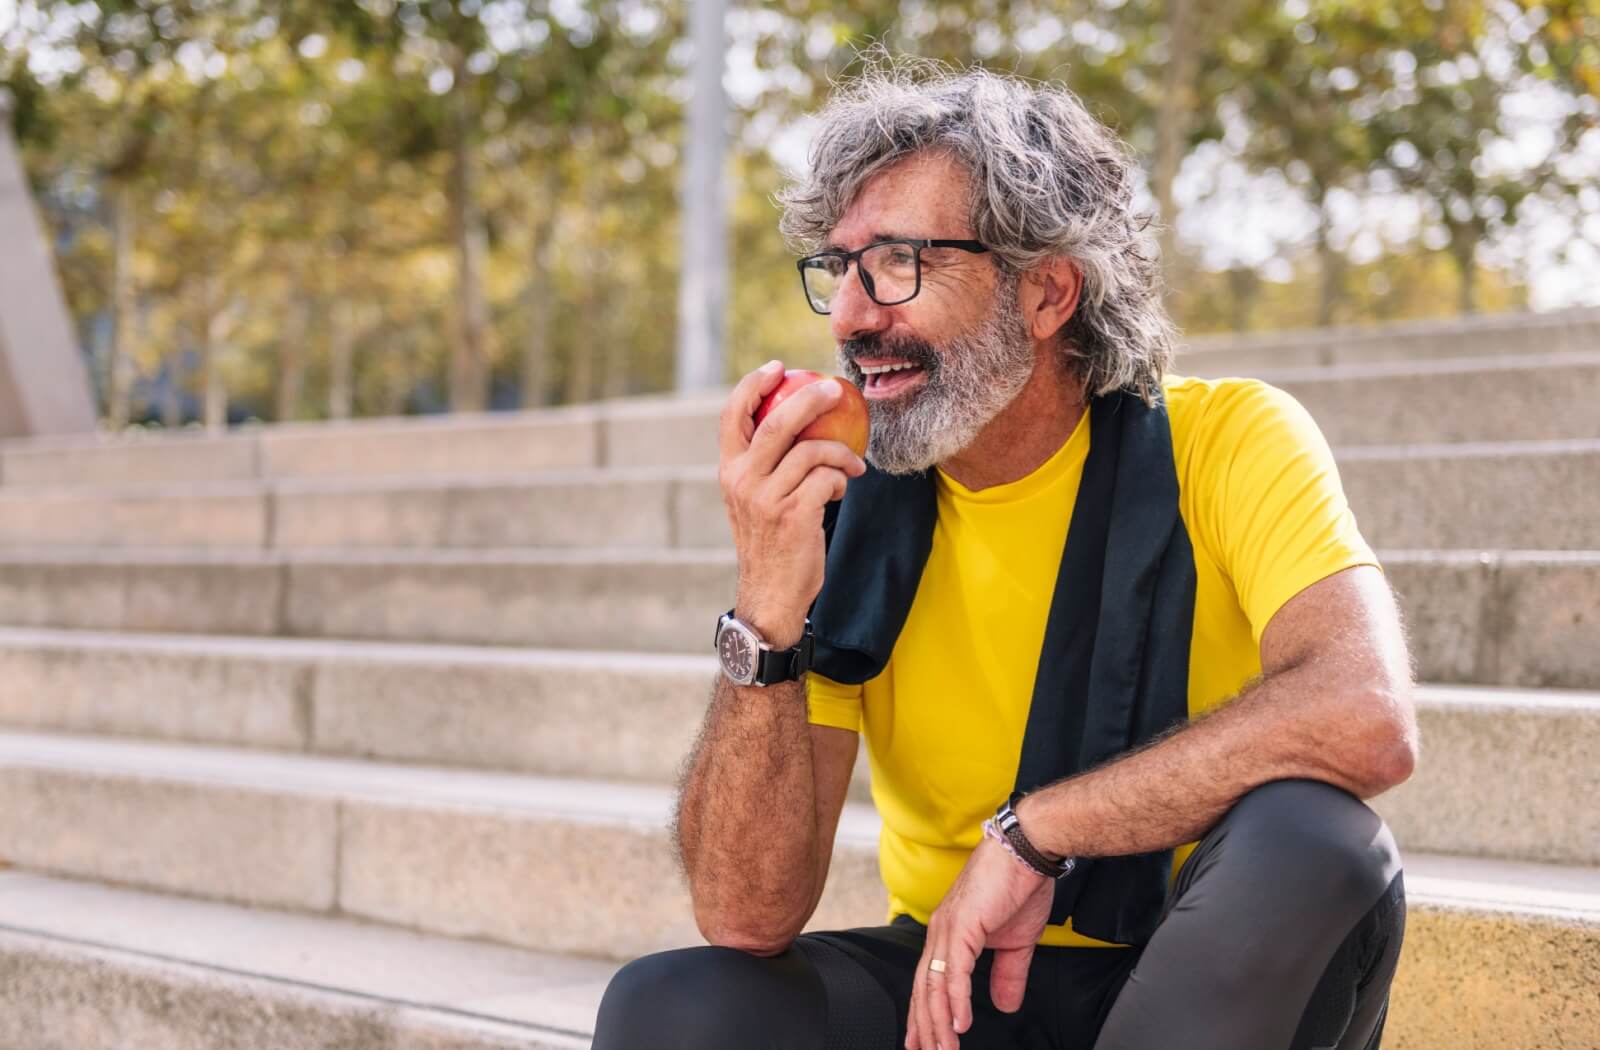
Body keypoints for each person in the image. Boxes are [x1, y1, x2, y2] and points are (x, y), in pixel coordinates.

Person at [594, 62, 1417, 1050]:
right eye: (838, 268)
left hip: (1210, 980)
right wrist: (765, 613)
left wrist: (1035, 830)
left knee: (1316, 844)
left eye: (897, 262)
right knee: (676, 1009)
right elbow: (745, 915)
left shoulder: (1231, 439)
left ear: (1046, 292)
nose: (852, 316)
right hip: (959, 989)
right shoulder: (840, 508)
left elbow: (1362, 713)